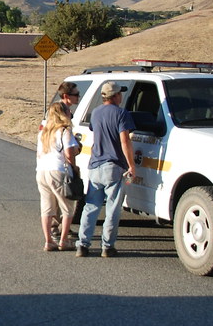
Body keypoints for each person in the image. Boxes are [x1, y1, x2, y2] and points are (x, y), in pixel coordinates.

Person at [75, 81, 137, 258]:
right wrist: (131, 165)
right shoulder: (121, 113)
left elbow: (96, 132)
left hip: (95, 165)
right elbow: (125, 140)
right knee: (112, 208)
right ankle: (107, 246)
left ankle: (83, 245)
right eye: (120, 94)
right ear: (116, 96)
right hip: (114, 165)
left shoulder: (95, 112)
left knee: (91, 206)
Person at [36, 101, 80, 251]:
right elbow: (68, 153)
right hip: (58, 170)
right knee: (67, 207)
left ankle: (48, 240)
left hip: (42, 170)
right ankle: (63, 240)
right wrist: (73, 166)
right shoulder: (64, 131)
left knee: (47, 208)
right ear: (63, 114)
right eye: (68, 111)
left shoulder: (43, 132)